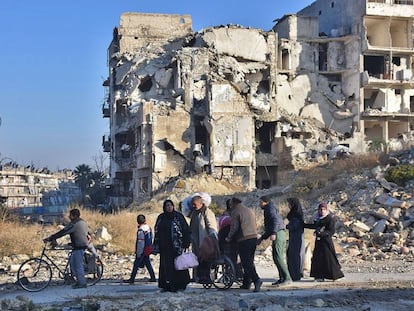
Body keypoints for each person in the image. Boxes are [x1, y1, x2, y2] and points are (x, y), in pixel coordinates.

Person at [43, 208, 89, 289]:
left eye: (70, 215)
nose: (68, 216)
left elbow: (63, 232)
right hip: (78, 245)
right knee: (73, 264)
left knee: (77, 265)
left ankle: (82, 283)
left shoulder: (75, 224)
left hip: (79, 246)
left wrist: (51, 238)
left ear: (74, 216)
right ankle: (76, 281)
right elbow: (89, 232)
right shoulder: (82, 222)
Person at [153, 199, 191, 292]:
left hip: (177, 246)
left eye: (170, 205)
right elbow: (157, 231)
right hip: (165, 247)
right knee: (167, 267)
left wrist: (186, 242)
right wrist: (156, 245)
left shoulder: (178, 217)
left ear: (173, 206)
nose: (169, 207)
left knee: (179, 265)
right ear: (164, 207)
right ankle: (167, 285)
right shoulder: (161, 218)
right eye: (167, 206)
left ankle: (181, 284)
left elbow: (185, 229)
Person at [225, 197, 262, 292]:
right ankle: (246, 283)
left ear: (233, 203)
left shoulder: (236, 211)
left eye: (230, 204)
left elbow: (234, 227)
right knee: (250, 261)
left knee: (246, 262)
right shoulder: (249, 210)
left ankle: (256, 280)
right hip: (253, 237)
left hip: (244, 238)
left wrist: (228, 237)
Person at [304, 202, 344, 282]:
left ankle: (335, 276)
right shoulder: (318, 218)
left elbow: (331, 231)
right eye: (320, 209)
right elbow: (315, 226)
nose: (322, 211)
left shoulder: (330, 219)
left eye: (324, 209)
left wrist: (322, 233)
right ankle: (319, 277)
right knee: (318, 259)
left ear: (326, 210)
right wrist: (304, 225)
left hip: (326, 242)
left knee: (329, 259)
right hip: (319, 242)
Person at [257, 195, 292, 286]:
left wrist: (274, 233)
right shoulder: (269, 208)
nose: (259, 204)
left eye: (261, 202)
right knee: (275, 257)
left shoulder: (270, 209)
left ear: (265, 202)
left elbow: (275, 221)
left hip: (278, 234)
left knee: (279, 256)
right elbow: (270, 226)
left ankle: (287, 278)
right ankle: (282, 278)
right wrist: (262, 238)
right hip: (278, 233)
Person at [189, 194, 218, 283]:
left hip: (206, 242)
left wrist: (213, 240)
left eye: (195, 204)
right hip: (196, 241)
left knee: (205, 260)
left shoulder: (207, 212)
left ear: (200, 203)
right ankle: (197, 277)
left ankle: (206, 277)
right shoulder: (194, 213)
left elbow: (211, 227)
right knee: (197, 259)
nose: (193, 206)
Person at [123, 214, 156, 284]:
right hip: (148, 248)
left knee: (136, 264)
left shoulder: (141, 230)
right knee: (147, 263)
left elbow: (140, 242)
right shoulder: (148, 228)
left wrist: (138, 252)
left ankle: (132, 279)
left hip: (143, 249)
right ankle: (153, 277)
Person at [286, 197, 305, 281]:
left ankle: (295, 275)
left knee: (295, 256)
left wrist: (286, 226)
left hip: (296, 237)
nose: (288, 205)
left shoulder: (296, 214)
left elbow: (295, 226)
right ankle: (294, 274)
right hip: (294, 237)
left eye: (289, 204)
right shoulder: (294, 213)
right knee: (292, 255)